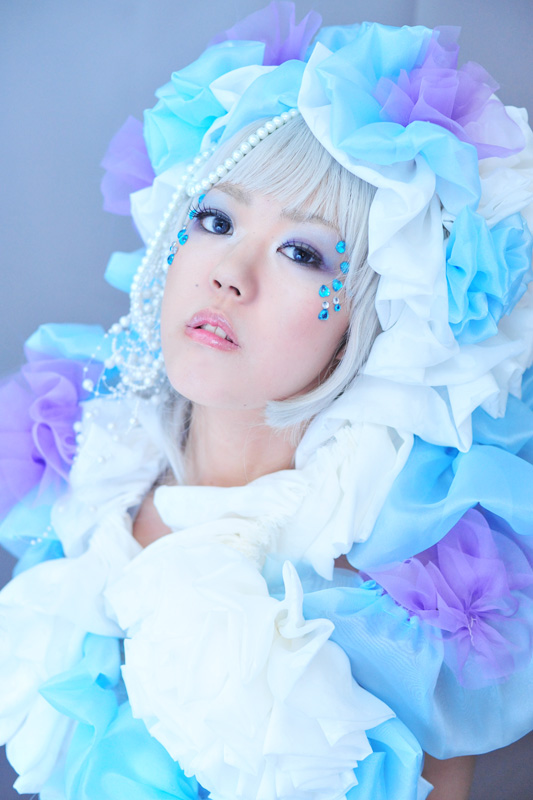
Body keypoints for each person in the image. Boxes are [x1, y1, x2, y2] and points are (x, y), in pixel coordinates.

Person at [1, 4, 533, 799]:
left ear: (381, 314)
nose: (228, 272)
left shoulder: (394, 585)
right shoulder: (84, 471)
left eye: (301, 252)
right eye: (214, 219)